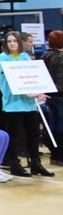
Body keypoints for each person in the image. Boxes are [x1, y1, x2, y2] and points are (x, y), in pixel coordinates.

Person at [0, 31, 53, 177]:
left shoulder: (25, 56)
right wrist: (27, 93)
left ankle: (36, 163)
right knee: (15, 134)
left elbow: (31, 77)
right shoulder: (3, 57)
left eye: (14, 41)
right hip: (13, 103)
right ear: (6, 43)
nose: (12, 43)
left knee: (33, 133)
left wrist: (39, 92)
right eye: (9, 41)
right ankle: (14, 164)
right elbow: (12, 80)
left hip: (29, 103)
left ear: (19, 42)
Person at [44, 31, 63, 166]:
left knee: (52, 123)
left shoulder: (45, 55)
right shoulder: (61, 56)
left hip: (49, 92)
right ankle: (60, 154)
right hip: (60, 92)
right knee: (60, 124)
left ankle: (55, 153)